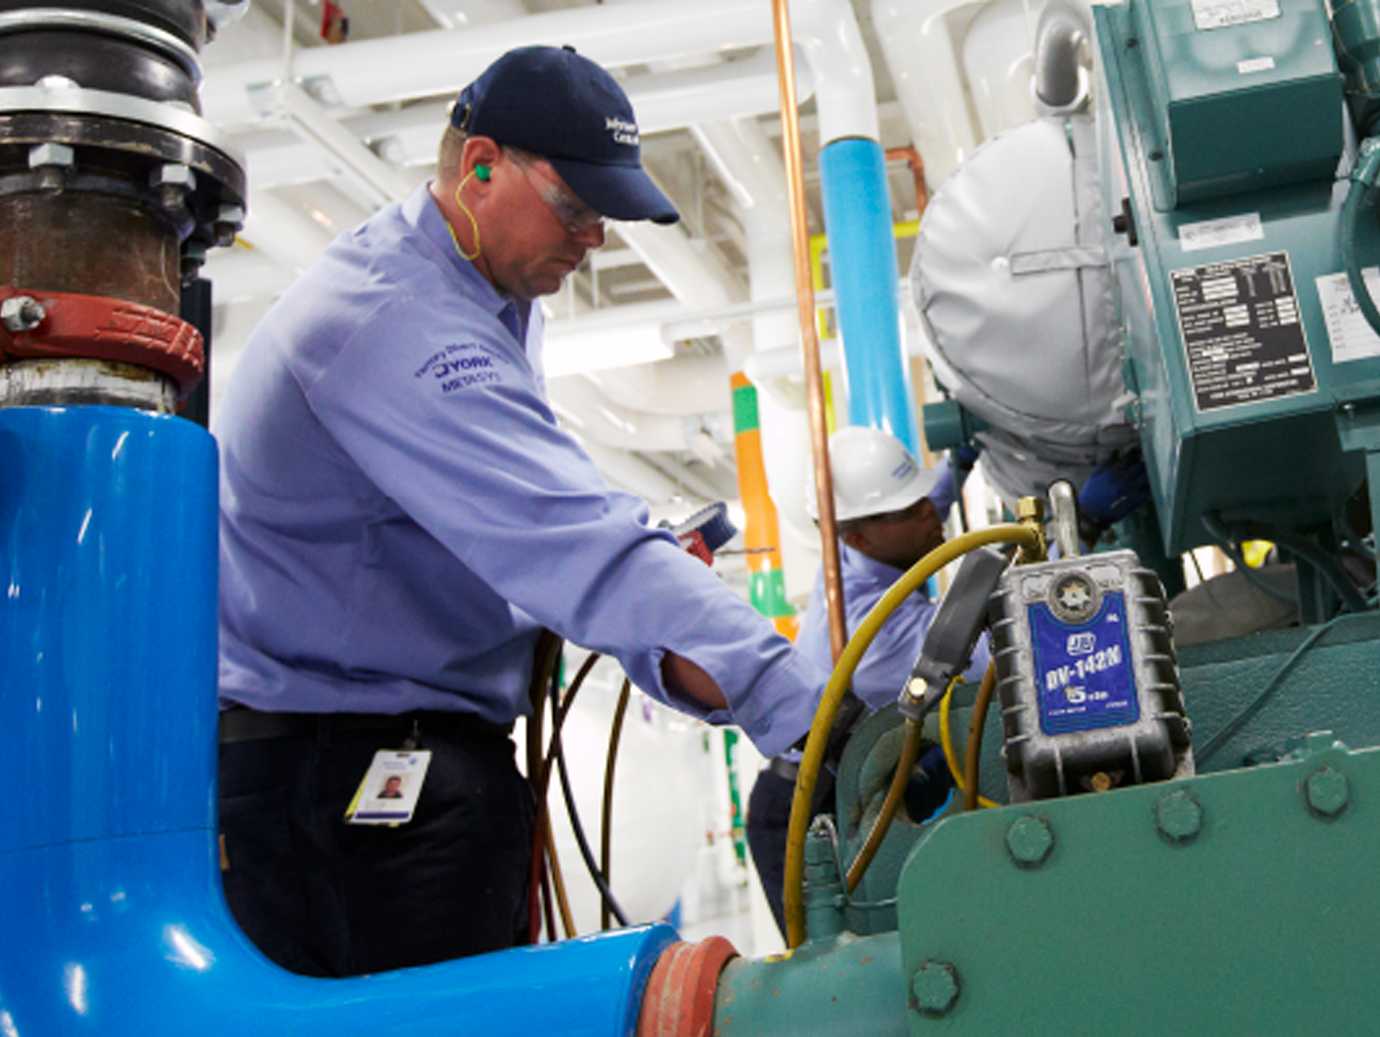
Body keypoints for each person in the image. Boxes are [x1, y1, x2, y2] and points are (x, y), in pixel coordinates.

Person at [215, 44, 823, 978]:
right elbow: (578, 545)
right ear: (481, 165)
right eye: (576, 209)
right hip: (342, 784)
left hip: (398, 760)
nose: (595, 241)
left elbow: (542, 524)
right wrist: (809, 715)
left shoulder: (483, 293)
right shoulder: (395, 324)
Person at [746, 427, 986, 937]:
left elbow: (909, 516)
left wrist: (958, 463)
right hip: (808, 811)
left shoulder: (859, 554)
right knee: (851, 959)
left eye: (925, 499)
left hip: (843, 788)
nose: (930, 513)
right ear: (855, 536)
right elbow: (984, 648)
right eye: (914, 508)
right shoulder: (870, 629)